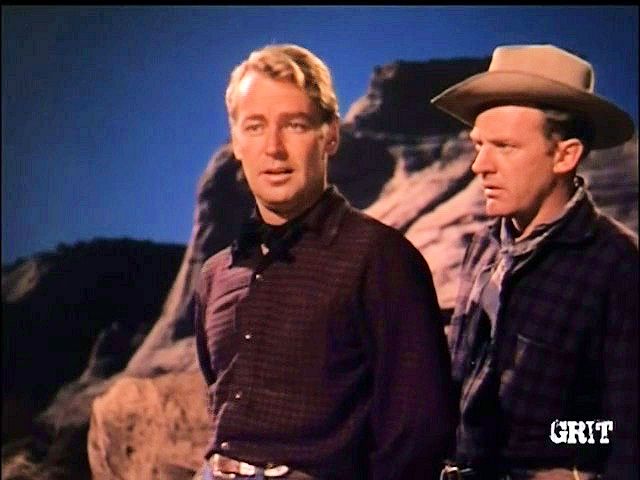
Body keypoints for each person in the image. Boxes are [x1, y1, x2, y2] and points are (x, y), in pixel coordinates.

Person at [193, 43, 455, 480]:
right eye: (254, 127)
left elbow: (418, 431)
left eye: (295, 125)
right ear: (236, 141)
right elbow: (218, 396)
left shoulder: (380, 258)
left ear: (329, 135)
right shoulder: (216, 275)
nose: (273, 148)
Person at [430, 44, 638, 479]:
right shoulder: (484, 246)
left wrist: (561, 457)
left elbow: (622, 427)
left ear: (565, 155)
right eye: (478, 145)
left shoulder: (617, 264)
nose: (479, 165)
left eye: (504, 146)